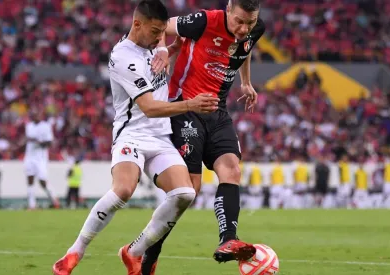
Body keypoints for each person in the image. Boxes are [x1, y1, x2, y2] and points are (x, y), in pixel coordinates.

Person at [52, 1, 219, 274]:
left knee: (185, 193)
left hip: (161, 137)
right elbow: (150, 108)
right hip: (132, 134)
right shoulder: (123, 58)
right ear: (137, 24)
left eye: (161, 32)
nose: (158, 37)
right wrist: (191, 104)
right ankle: (75, 251)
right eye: (155, 32)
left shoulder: (154, 41)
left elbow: (164, 35)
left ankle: (134, 252)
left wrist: (166, 47)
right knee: (124, 190)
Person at [143, 1, 266, 272]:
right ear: (228, 9)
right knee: (190, 189)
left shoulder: (255, 29)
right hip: (186, 106)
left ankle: (228, 240)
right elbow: (162, 24)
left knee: (232, 169)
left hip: (217, 111)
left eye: (251, 22)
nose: (244, 28)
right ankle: (151, 249)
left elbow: (245, 49)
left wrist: (246, 82)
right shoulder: (204, 21)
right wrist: (163, 49)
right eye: (239, 21)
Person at [24, 110, 59, 209]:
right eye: (34, 115)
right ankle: (32, 205)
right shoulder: (29, 126)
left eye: (38, 115)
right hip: (29, 156)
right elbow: (28, 139)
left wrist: (37, 141)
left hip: (41, 158)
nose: (36, 117)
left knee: (42, 180)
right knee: (29, 178)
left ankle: (54, 198)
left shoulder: (46, 126)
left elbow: (49, 143)